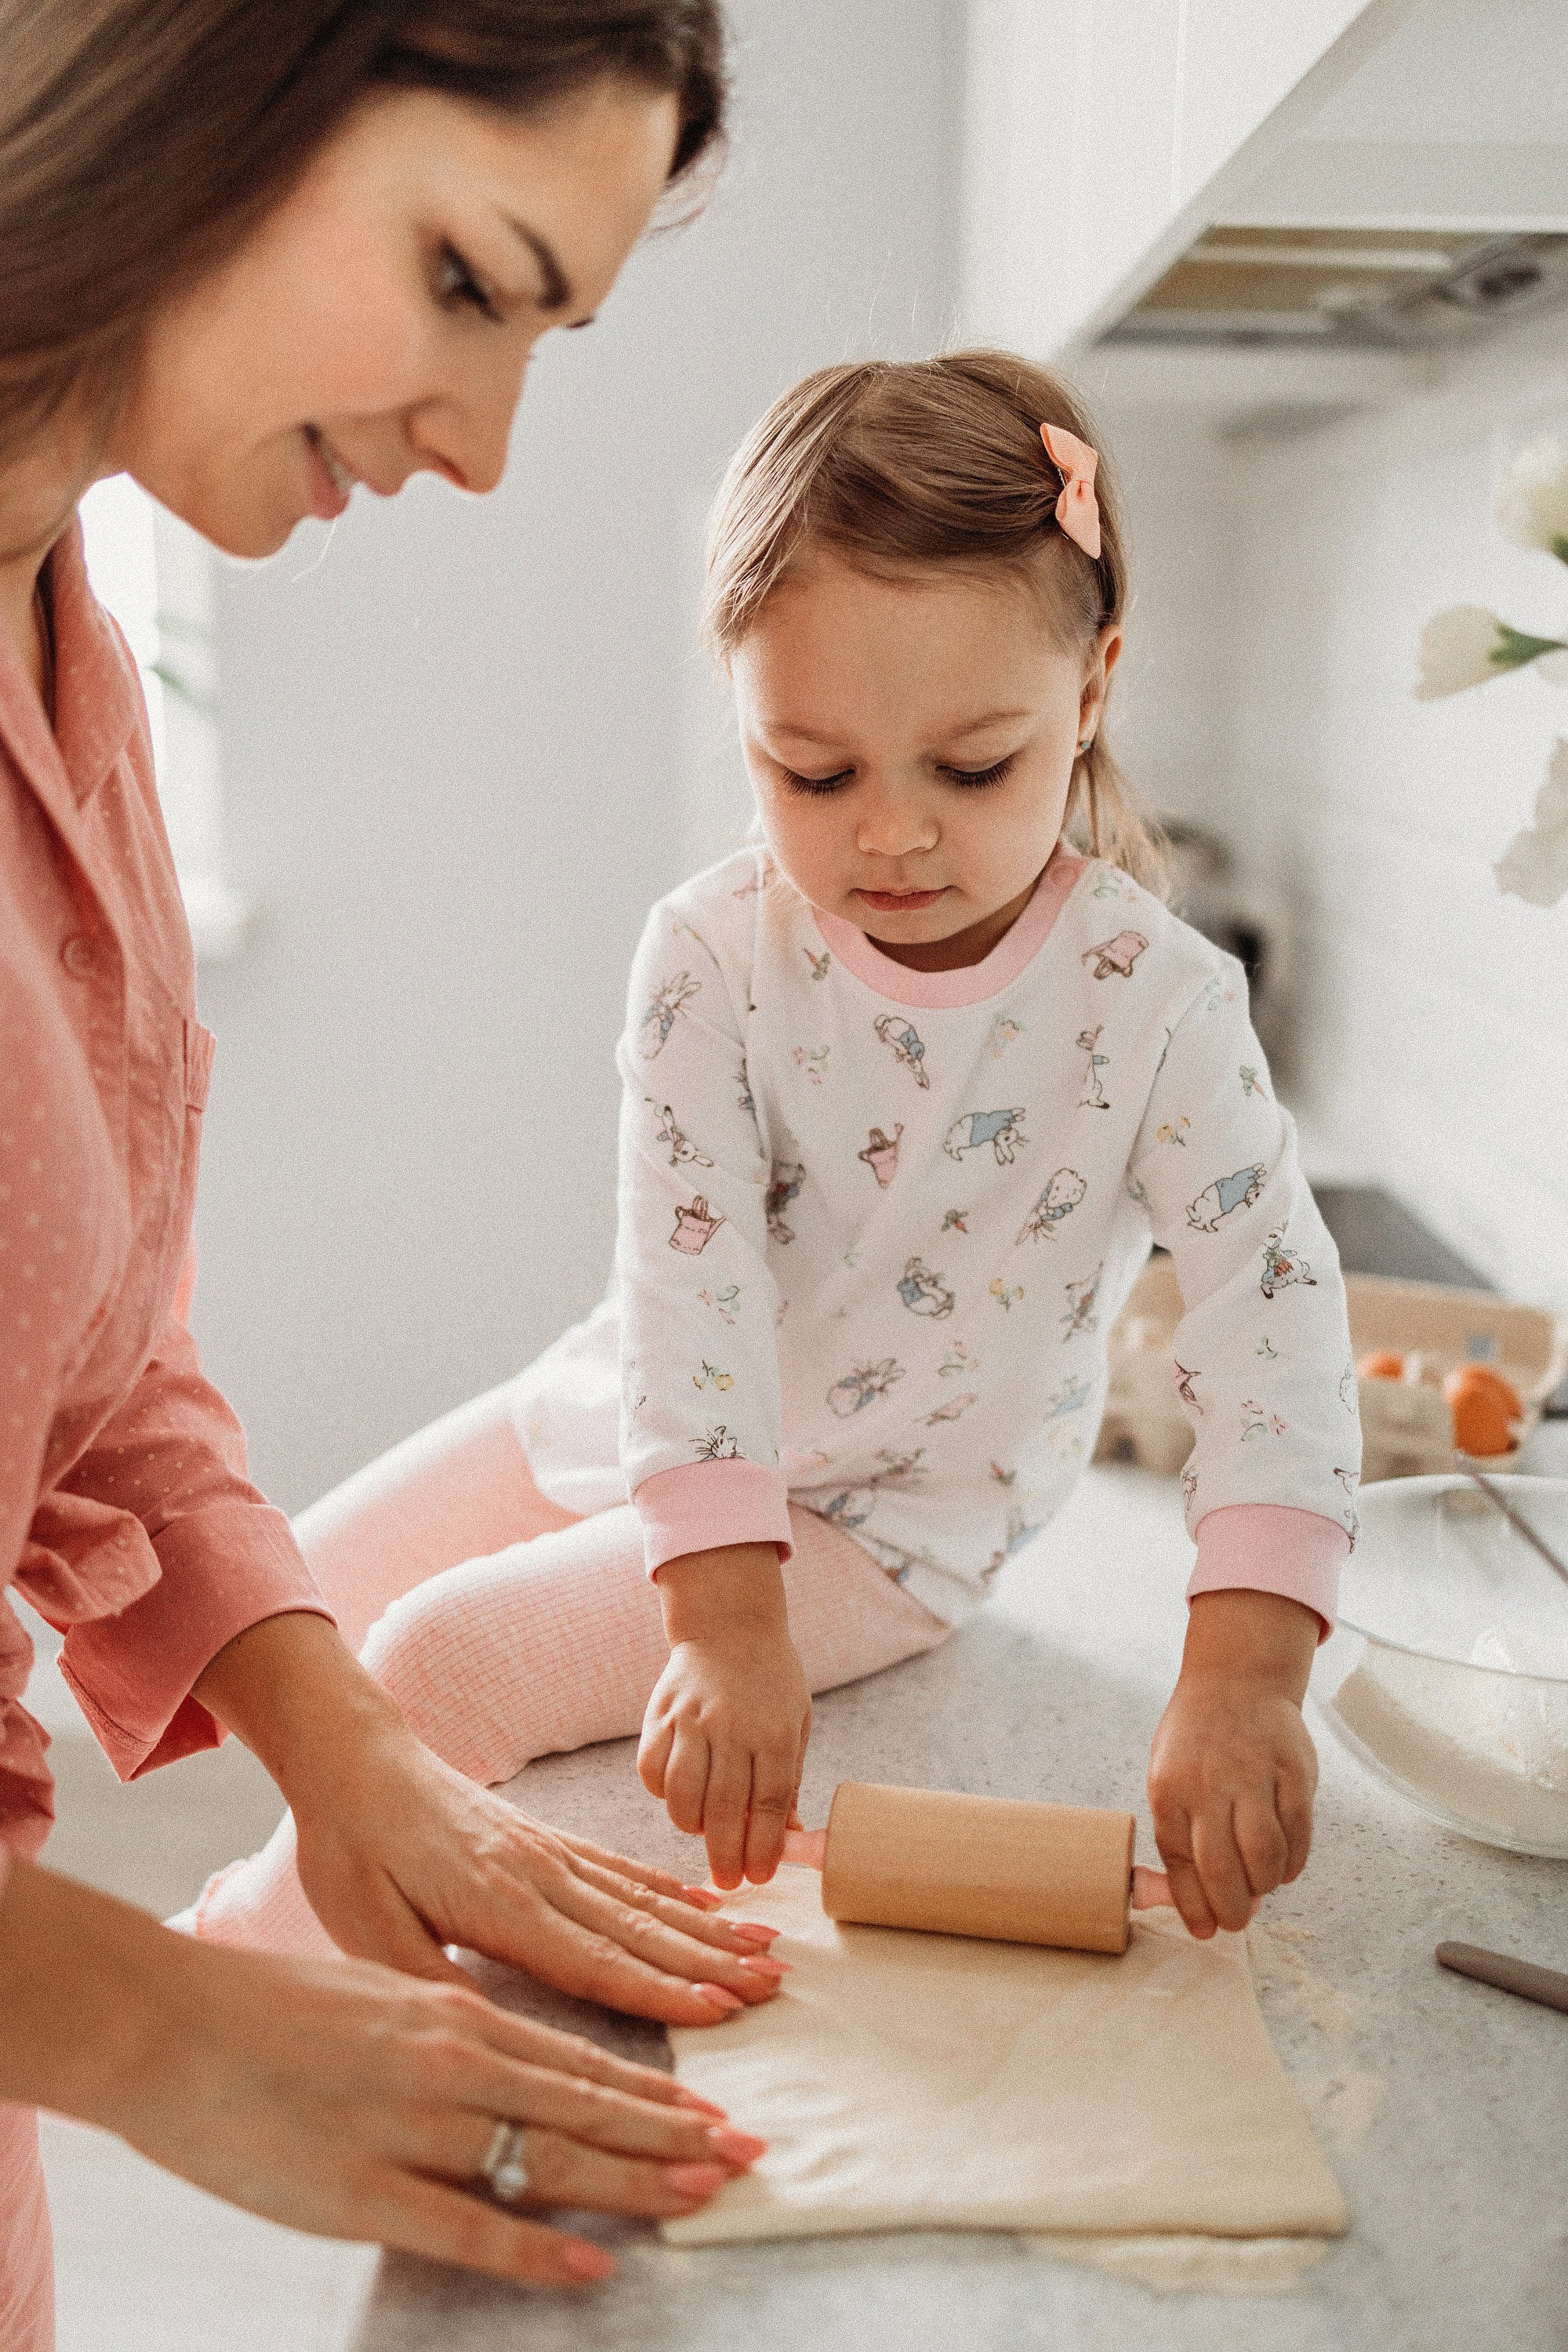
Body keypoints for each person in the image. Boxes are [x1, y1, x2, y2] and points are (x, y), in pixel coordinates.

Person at [194, 351, 1362, 1965]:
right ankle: (300, 1918)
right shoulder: (708, 953)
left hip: (882, 1523)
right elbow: (689, 1286)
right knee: (269, 1602)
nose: (886, 834)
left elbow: (1274, 1324)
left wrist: (1243, 1673)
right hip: (649, 1409)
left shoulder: (1154, 1006)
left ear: (1090, 694)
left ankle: (238, 1985)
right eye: (811, 771)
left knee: (433, 1667)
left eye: (971, 768)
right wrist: (709, 1598)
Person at [0, 5, 804, 2342]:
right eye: (469, 281)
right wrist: (158, 2030)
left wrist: (361, 1760)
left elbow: (100, 1351)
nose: (483, 448)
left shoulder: (73, 655)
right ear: (186, 79)